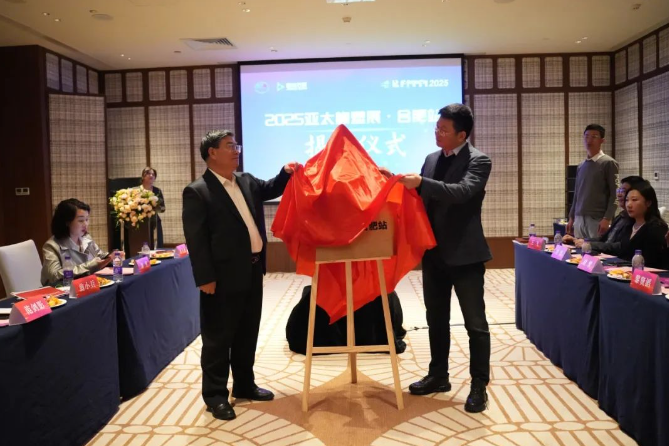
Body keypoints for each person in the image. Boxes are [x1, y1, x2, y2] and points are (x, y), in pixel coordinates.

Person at [383, 104, 492, 413]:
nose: (437, 133)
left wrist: (421, 183)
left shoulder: (479, 161)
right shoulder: (431, 159)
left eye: (444, 130)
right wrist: (394, 181)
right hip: (434, 253)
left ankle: (479, 385)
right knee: (436, 319)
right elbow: (420, 198)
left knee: (475, 324)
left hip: (466, 255)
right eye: (436, 127)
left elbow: (461, 192)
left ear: (462, 134)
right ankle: (438, 375)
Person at [182, 130, 297, 421]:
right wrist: (205, 278)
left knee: (247, 331)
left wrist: (285, 173)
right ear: (212, 153)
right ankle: (215, 396)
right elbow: (196, 240)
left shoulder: (245, 180)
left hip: (253, 269)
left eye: (237, 145)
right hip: (221, 277)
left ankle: (245, 384)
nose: (236, 150)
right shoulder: (198, 191)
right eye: (229, 146)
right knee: (219, 337)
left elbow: (271, 188)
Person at [589, 181, 667, 267]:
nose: (629, 205)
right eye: (627, 200)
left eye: (634, 200)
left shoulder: (656, 228)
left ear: (648, 203)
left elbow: (652, 262)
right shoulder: (628, 224)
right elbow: (621, 249)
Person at [41, 198, 114, 286]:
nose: (85, 224)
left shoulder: (86, 238)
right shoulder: (52, 246)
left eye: (87, 219)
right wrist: (91, 265)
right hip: (65, 290)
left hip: (88, 286)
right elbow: (54, 276)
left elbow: (100, 256)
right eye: (81, 220)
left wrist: (111, 257)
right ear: (67, 222)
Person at [567, 124, 619, 239]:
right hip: (579, 218)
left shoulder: (608, 163)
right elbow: (577, 194)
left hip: (598, 219)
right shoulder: (581, 166)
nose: (589, 140)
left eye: (594, 137)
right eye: (586, 136)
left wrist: (607, 218)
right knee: (578, 249)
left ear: (602, 140)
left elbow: (615, 194)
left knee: (595, 249)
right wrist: (571, 217)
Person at [563, 175, 645, 248]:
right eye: (619, 191)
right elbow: (605, 239)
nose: (619, 195)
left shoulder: (636, 220)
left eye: (623, 191)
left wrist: (590, 244)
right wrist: (578, 240)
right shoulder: (621, 216)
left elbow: (619, 247)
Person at [140, 167, 165, 248]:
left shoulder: (157, 191)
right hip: (141, 222)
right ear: (143, 176)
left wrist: (155, 207)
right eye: (148, 173)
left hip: (155, 221)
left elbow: (163, 208)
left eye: (153, 174)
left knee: (157, 245)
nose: (151, 175)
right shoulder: (137, 190)